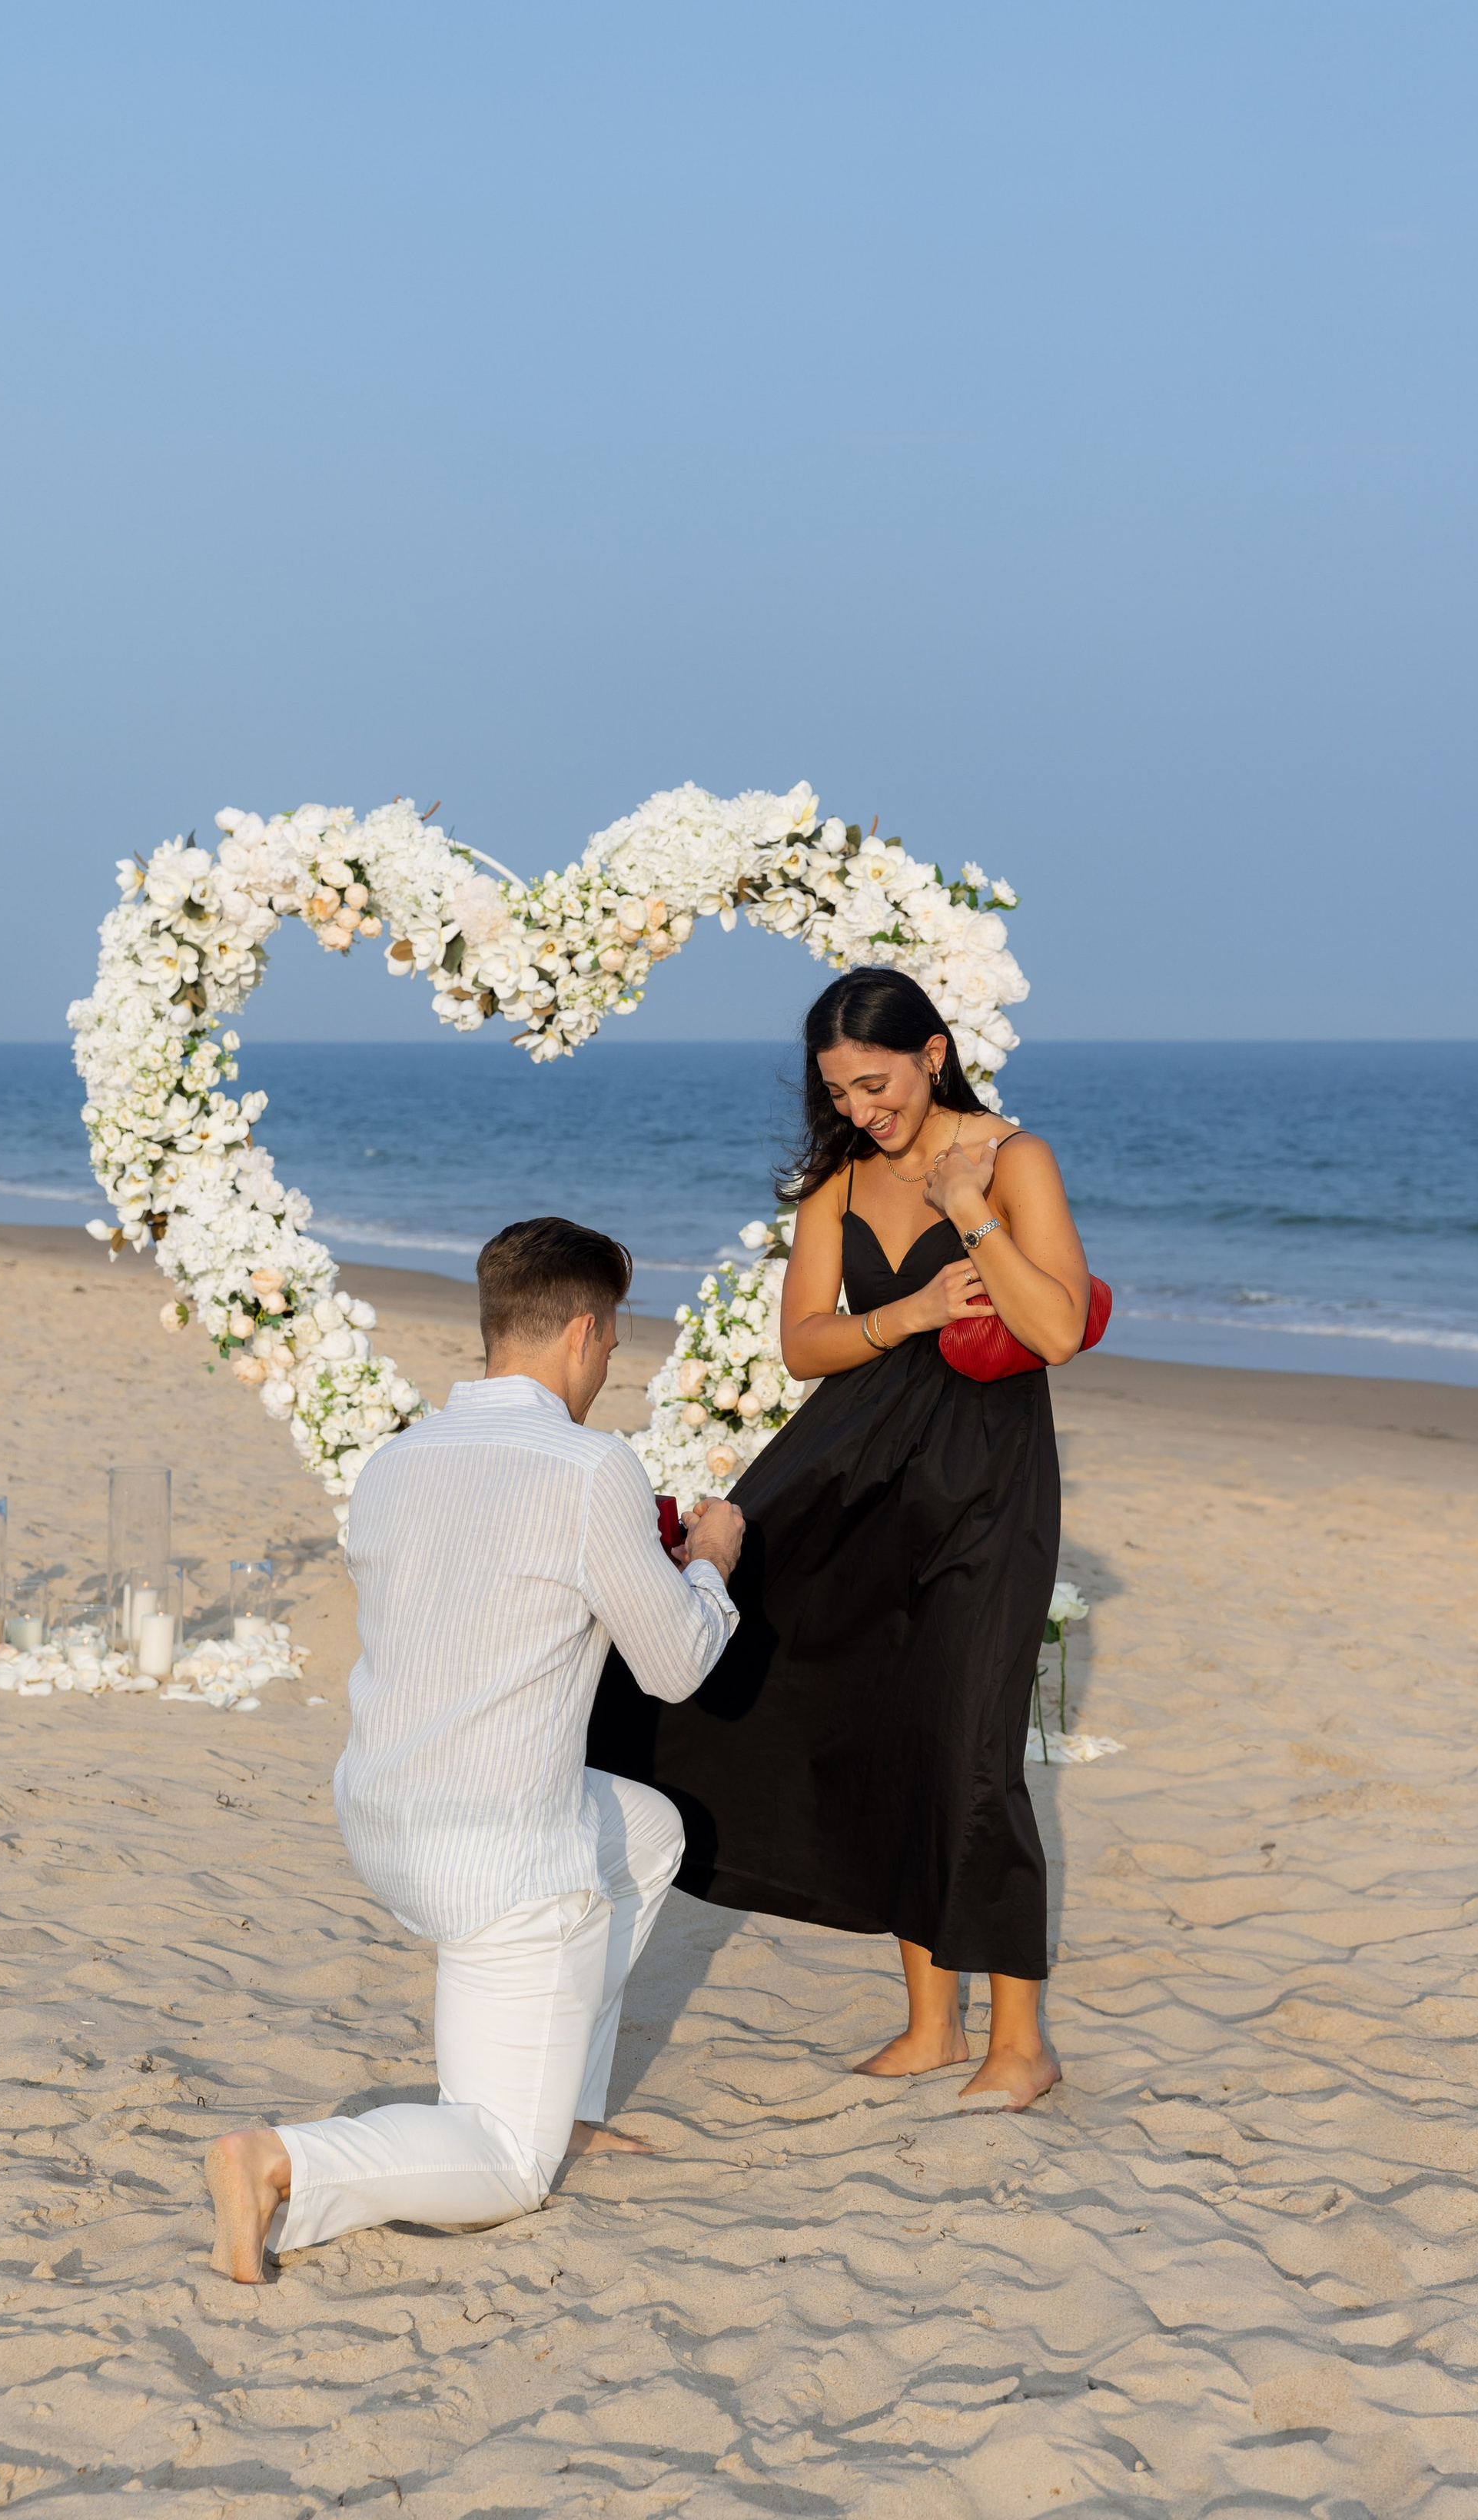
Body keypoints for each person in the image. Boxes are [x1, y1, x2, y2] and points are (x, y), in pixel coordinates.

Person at [204, 1215, 746, 2281]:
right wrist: (712, 1562)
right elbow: (677, 1665)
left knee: (648, 1831)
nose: (607, 1368)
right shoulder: (594, 1467)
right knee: (505, 2165)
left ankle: (565, 2102)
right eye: (613, 1346)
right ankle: (280, 2164)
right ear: (585, 1332)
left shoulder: (396, 1463)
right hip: (496, 1856)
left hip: (384, 1816)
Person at [590, 967, 1092, 2112]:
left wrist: (971, 1210)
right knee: (868, 1725)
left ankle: (1022, 2039)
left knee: (974, 1748)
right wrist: (907, 1314)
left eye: (876, 1082)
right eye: (839, 1091)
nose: (862, 1108)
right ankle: (930, 2022)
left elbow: (1057, 1322)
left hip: (987, 1486)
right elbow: (805, 1345)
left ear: (934, 1050)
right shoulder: (839, 1183)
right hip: (849, 1478)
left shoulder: (1017, 1161)